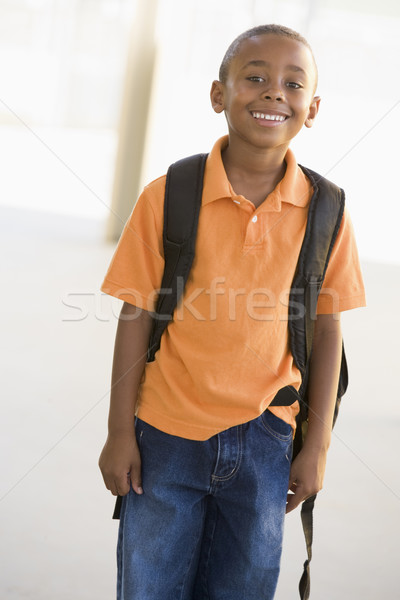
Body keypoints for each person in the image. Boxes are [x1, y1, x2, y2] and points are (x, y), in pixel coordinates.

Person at [99, 24, 366, 600]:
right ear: (219, 95)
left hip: (268, 437)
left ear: (312, 108)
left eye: (292, 84)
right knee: (150, 585)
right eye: (255, 78)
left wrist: (315, 447)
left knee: (242, 588)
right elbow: (135, 316)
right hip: (163, 434)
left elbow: (328, 331)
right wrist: (120, 431)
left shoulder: (327, 211)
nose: (274, 93)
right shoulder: (168, 194)